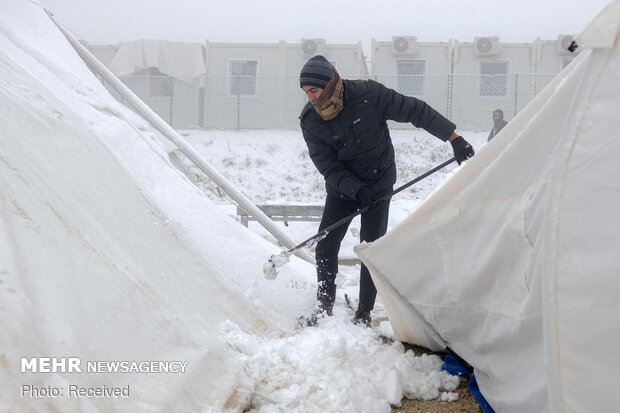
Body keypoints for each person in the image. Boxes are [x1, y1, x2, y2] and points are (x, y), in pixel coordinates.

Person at [298, 55, 474, 327]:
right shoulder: (311, 120)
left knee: (372, 247)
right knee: (326, 245)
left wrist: (454, 138)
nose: (310, 98)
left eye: (314, 90)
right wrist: (356, 190)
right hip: (342, 189)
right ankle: (324, 307)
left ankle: (364, 313)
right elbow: (327, 165)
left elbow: (416, 110)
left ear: (330, 84)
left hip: (378, 182)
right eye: (306, 92)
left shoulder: (369, 95)